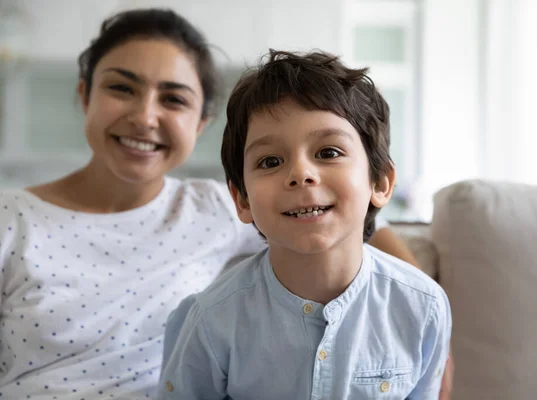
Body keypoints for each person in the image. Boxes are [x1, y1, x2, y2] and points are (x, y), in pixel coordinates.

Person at [0, 8, 449, 400]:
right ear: (84, 96)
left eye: (174, 98)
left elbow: (353, 228)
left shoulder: (213, 205)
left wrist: (425, 327)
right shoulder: (11, 220)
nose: (145, 116)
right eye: (122, 88)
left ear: (201, 123)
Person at [157, 50, 452, 399]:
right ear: (242, 199)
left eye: (328, 152)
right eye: (270, 161)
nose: (300, 174)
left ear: (380, 182)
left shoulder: (423, 306)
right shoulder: (210, 320)